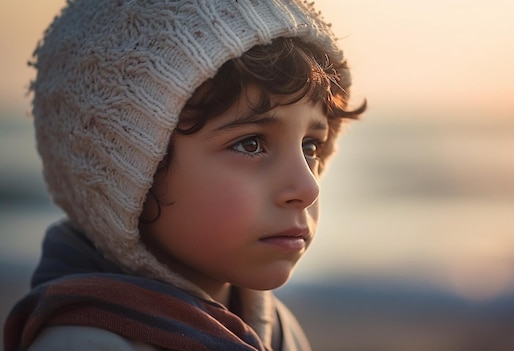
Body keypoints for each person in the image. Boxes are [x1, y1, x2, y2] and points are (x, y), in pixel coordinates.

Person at [3, 1, 366, 350]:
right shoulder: (87, 343)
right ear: (128, 176)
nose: (307, 187)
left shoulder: (276, 331)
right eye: (251, 144)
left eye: (311, 147)